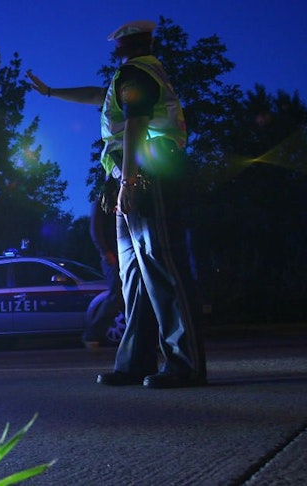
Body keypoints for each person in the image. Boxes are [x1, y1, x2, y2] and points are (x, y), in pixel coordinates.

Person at [27, 19, 206, 388]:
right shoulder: (129, 77)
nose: (115, 50)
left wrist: (128, 181)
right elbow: (98, 95)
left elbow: (136, 125)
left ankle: (185, 365)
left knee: (162, 269)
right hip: (134, 176)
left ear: (124, 46)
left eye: (117, 45)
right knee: (135, 277)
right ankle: (134, 363)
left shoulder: (136, 73)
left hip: (148, 174)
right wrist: (51, 92)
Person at [83, 177, 124, 347]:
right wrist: (105, 252)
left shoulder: (124, 196)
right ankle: (92, 334)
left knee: (130, 295)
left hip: (123, 252)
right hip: (112, 255)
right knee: (116, 295)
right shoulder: (102, 199)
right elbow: (95, 228)